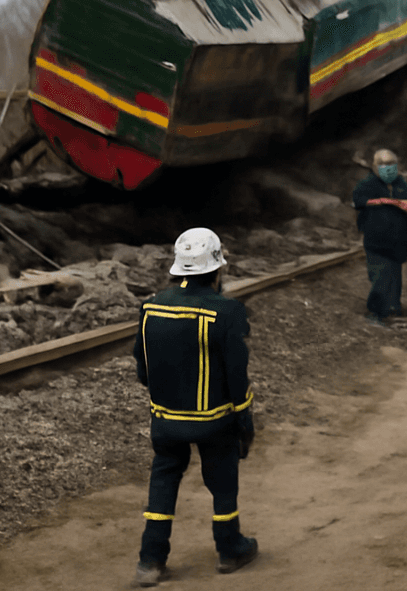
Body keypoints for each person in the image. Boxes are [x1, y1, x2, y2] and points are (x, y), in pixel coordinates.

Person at [131, 228, 258, 586]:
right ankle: (229, 548)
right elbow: (237, 375)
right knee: (222, 479)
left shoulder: (151, 306)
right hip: (214, 420)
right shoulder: (227, 311)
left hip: (165, 419)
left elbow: (143, 370)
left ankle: (150, 560)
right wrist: (244, 418)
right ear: (217, 270)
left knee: (164, 479)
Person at [352, 148, 407, 326]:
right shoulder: (367, 184)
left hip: (399, 241)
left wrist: (395, 202)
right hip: (376, 242)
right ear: (374, 166)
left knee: (395, 276)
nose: (387, 168)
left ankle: (393, 308)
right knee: (381, 275)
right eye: (382, 164)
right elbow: (359, 201)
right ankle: (376, 313)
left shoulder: (400, 184)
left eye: (390, 164)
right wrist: (384, 201)